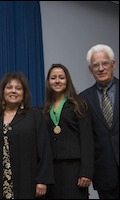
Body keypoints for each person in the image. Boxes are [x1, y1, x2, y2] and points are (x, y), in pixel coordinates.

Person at [0, 72, 54, 199]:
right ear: (2, 92)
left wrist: (42, 180)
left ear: (24, 93)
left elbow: (44, 149)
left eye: (18, 88)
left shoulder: (35, 116)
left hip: (26, 182)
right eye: (9, 87)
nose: (13, 91)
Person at [43, 64, 94, 199]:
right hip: (52, 169)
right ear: (48, 82)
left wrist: (86, 172)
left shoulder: (79, 104)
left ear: (67, 80)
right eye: (53, 78)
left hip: (74, 168)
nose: (57, 81)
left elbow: (87, 140)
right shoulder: (45, 109)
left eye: (61, 77)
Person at [80, 44, 119, 199]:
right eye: (95, 65)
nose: (100, 68)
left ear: (113, 64)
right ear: (91, 70)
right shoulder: (83, 99)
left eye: (105, 63)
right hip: (104, 173)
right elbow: (85, 139)